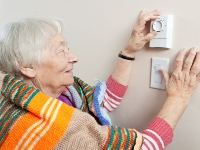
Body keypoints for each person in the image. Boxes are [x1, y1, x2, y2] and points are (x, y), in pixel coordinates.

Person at [0, 9, 199, 150]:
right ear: (26, 66)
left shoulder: (67, 92)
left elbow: (104, 101)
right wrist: (179, 97)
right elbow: (144, 147)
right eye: (61, 50)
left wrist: (130, 50)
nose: (74, 57)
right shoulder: (49, 130)